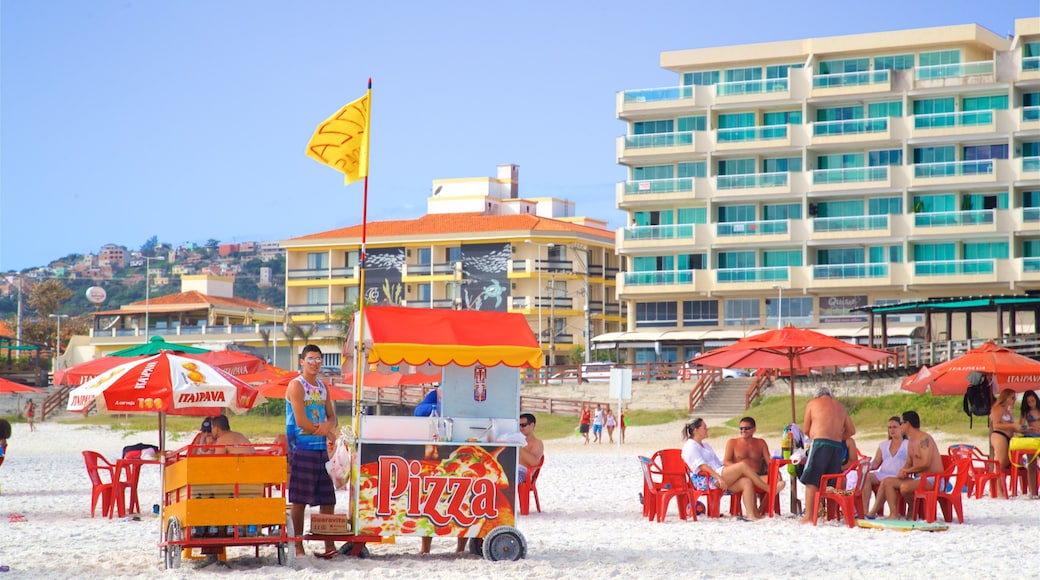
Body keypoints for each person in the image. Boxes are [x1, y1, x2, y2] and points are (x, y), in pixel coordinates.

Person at [286, 345, 339, 559]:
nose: (315, 363)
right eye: (310, 359)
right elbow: (300, 421)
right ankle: (298, 544)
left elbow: (331, 417)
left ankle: (328, 545)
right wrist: (326, 432)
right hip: (301, 448)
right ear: (301, 361)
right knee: (299, 500)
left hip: (320, 450)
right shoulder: (296, 385)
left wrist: (329, 428)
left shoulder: (323, 386)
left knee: (328, 499)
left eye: (318, 359)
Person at [681, 418, 782, 520]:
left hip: (717, 475)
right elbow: (702, 466)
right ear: (695, 430)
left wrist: (732, 472)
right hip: (705, 480)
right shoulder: (690, 446)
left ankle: (753, 515)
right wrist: (719, 478)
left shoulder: (705, 445)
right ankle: (768, 489)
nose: (707, 430)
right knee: (742, 466)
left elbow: (718, 463)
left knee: (746, 482)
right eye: (704, 428)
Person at [798, 386, 855, 524]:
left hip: (820, 443)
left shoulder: (812, 403)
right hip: (836, 446)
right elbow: (851, 431)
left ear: (817, 396)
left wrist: (817, 435)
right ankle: (830, 516)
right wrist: (838, 436)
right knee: (831, 482)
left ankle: (809, 516)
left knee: (812, 480)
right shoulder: (840, 407)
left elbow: (806, 428)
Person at [879, 410, 944, 520]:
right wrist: (903, 471)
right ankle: (894, 514)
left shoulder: (924, 439)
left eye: (901, 423)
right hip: (918, 479)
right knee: (887, 482)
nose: (900, 426)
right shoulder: (911, 441)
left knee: (905, 487)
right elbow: (908, 463)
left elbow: (925, 463)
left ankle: (913, 508)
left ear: (907, 424)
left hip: (933, 480)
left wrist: (907, 471)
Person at [862, 416, 909, 518]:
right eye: (889, 427)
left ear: (901, 428)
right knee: (867, 476)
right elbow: (876, 463)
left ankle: (872, 512)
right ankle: (864, 510)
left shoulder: (908, 444)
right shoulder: (883, 445)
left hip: (898, 476)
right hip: (883, 473)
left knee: (886, 481)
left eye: (894, 427)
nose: (891, 430)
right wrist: (868, 465)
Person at [990, 388, 1021, 498]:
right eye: (1012, 398)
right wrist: (1012, 426)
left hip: (1008, 437)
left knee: (1005, 462)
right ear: (1006, 397)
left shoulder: (1007, 410)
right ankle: (998, 490)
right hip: (999, 435)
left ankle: (999, 488)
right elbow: (996, 425)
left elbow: (1012, 425)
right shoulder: (997, 408)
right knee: (1000, 463)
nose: (1014, 400)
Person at [1018, 390, 1040, 499]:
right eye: (1029, 402)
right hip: (1031, 438)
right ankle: (1033, 491)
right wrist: (1028, 428)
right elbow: (1020, 427)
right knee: (1031, 465)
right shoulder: (1025, 413)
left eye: (1033, 400)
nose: (1032, 403)